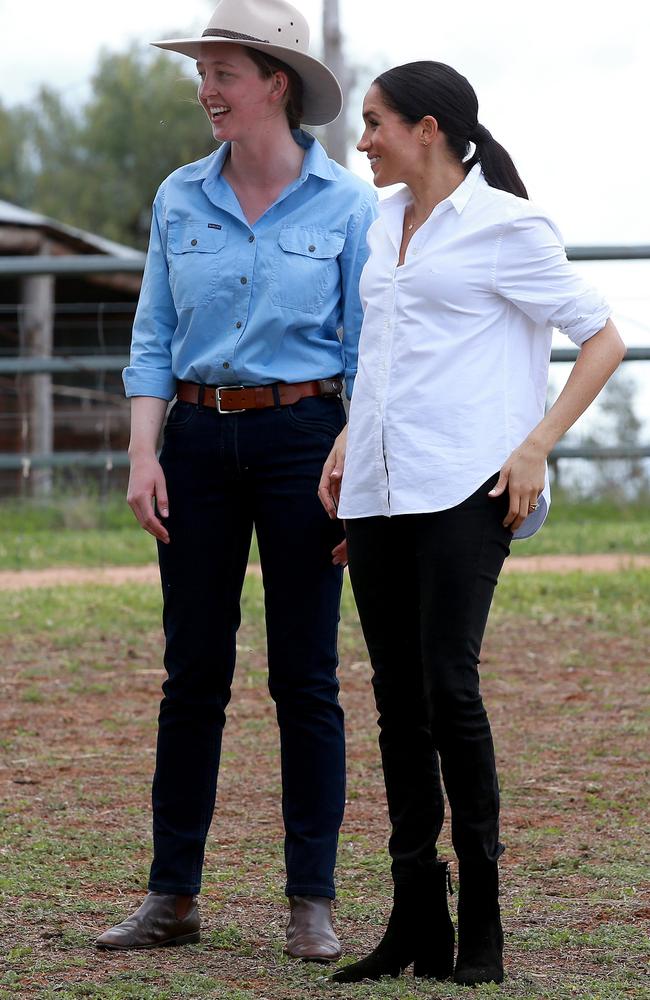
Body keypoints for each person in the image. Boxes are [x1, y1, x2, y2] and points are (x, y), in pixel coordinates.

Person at [318, 61, 625, 986]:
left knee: (448, 684)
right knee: (395, 702)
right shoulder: (380, 225)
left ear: (430, 128)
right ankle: (417, 914)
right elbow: (385, 350)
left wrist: (536, 445)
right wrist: (344, 438)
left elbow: (601, 336)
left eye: (374, 123)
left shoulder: (507, 226)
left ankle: (482, 914)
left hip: (466, 486)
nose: (363, 140)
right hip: (375, 487)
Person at [95, 0, 376, 960]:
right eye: (202, 71)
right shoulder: (181, 197)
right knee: (192, 678)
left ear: (275, 85)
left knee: (306, 677)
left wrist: (352, 460)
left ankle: (312, 900)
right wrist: (143, 454)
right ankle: (172, 896)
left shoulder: (349, 207)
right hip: (198, 446)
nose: (206, 89)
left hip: (308, 442)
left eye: (222, 71)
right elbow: (153, 338)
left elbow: (369, 353)